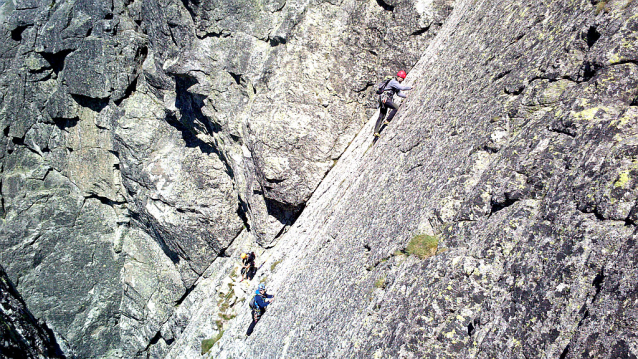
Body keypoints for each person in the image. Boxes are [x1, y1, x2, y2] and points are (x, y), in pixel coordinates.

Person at [374, 70, 413, 137]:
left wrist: (406, 96)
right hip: (386, 99)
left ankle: (376, 132)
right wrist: (411, 87)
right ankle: (387, 120)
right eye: (402, 79)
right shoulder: (394, 82)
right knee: (396, 108)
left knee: (382, 115)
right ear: (399, 77)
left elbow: (398, 93)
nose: (402, 80)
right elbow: (402, 88)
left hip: (383, 99)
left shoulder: (394, 83)